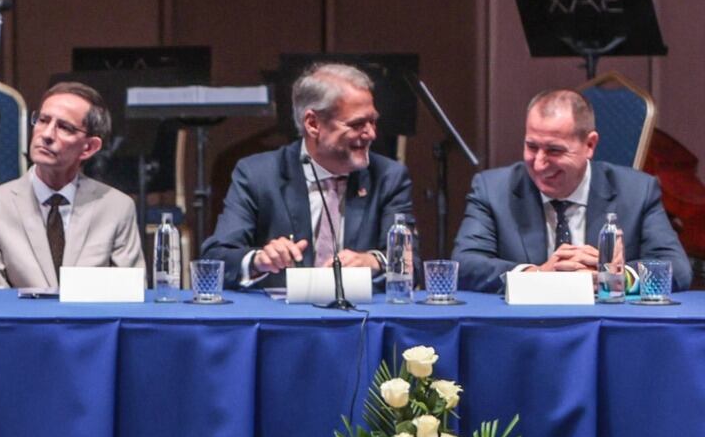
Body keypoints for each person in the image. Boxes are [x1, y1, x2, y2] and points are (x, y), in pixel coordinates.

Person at [452, 88, 691, 294]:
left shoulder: (637, 191)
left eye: (554, 150)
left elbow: (678, 269)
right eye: (532, 147)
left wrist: (617, 278)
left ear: (590, 145)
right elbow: (464, 264)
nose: (539, 163)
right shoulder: (493, 189)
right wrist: (537, 275)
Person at [201, 62, 413, 289]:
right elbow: (216, 258)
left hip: (360, 309)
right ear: (313, 124)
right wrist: (258, 260)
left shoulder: (388, 177)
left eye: (372, 121)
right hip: (280, 310)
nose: (371, 134)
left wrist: (374, 262)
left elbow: (412, 266)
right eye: (357, 124)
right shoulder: (257, 175)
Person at [0, 81, 142, 290]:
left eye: (65, 127)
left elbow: (129, 293)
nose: (47, 134)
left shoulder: (117, 208)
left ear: (89, 147)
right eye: (43, 120)